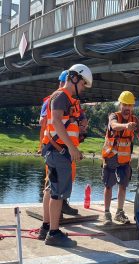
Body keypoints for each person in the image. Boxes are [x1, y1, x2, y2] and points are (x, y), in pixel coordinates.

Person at [38, 64, 93, 247]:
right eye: (83, 83)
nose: (84, 88)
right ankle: (53, 233)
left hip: (57, 151)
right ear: (75, 79)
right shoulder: (61, 96)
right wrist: (71, 148)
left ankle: (46, 227)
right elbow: (55, 121)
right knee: (58, 194)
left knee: (51, 190)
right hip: (59, 151)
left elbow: (63, 123)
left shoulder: (67, 99)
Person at [38, 70, 82, 216]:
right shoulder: (55, 98)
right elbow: (47, 122)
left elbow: (78, 118)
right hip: (56, 147)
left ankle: (60, 208)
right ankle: (51, 220)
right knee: (51, 186)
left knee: (62, 184)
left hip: (67, 149)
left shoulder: (71, 101)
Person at [101, 91, 139, 225]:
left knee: (123, 185)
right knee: (108, 185)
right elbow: (113, 125)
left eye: (130, 105)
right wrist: (125, 126)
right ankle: (107, 213)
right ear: (120, 104)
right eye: (125, 104)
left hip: (125, 158)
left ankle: (119, 212)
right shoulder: (114, 116)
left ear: (133, 106)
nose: (127, 108)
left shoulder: (135, 120)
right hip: (111, 155)